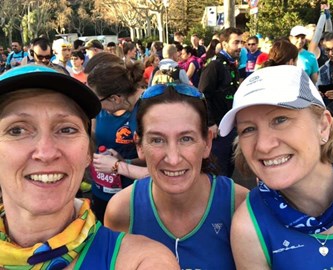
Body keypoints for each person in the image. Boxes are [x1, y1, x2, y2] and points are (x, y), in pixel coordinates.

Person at [0, 64, 179, 269]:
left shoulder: (140, 261)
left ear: (87, 153)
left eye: (66, 129)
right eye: (17, 130)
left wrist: (122, 165)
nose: (46, 153)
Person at [218, 65, 333, 269]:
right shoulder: (250, 228)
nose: (264, 145)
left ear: (323, 125)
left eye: (280, 119)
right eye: (248, 129)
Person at [104, 83, 248, 269]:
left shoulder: (240, 206)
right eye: (157, 140)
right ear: (139, 146)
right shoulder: (121, 211)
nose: (173, 159)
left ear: (207, 143)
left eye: (186, 139)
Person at [87, 60, 147, 223]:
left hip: (138, 196)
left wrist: (118, 166)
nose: (96, 107)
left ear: (115, 99)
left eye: (97, 101)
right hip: (105, 191)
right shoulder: (136, 107)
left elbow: (159, 169)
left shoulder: (148, 111)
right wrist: (122, 161)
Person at [198, 27, 242, 177]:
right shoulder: (214, 65)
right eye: (236, 42)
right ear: (224, 44)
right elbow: (202, 94)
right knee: (217, 171)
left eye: (241, 42)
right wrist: (210, 123)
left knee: (229, 169)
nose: (240, 46)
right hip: (217, 130)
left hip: (230, 127)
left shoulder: (231, 64)